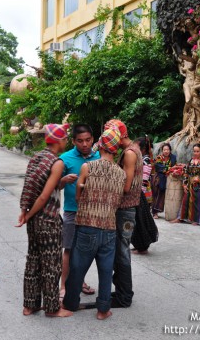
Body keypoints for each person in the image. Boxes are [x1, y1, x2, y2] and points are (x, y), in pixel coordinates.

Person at [63, 128, 126, 320]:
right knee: (106, 271)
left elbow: (78, 197)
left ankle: (70, 304)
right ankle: (103, 309)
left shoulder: (87, 168)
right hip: (108, 228)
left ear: (100, 145)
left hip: (87, 225)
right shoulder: (121, 174)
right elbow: (118, 201)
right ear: (115, 149)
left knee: (77, 268)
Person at [16, 123, 73, 318]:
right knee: (51, 264)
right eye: (65, 138)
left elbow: (30, 187)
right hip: (47, 219)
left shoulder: (36, 157)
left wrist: (25, 211)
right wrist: (28, 215)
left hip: (34, 222)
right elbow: (43, 197)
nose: (66, 141)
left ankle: (29, 305)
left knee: (33, 260)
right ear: (58, 140)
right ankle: (52, 308)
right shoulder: (57, 163)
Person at [58, 124, 99, 299]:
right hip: (72, 211)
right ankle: (64, 286)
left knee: (87, 250)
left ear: (93, 139)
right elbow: (54, 185)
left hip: (93, 212)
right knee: (68, 249)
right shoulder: (65, 159)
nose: (85, 144)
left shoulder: (99, 157)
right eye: (80, 141)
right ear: (73, 141)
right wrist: (64, 180)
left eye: (88, 140)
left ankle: (79, 281)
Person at [105, 119, 143, 308]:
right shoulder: (134, 148)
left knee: (121, 252)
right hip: (128, 209)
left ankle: (124, 296)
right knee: (121, 250)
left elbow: (126, 186)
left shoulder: (129, 153)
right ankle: (122, 290)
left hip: (126, 210)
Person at [172, 143, 200, 226]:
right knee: (185, 200)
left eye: (197, 151)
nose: (195, 153)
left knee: (198, 202)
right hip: (190, 184)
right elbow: (186, 173)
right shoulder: (191, 161)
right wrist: (185, 184)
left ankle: (197, 220)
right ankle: (181, 218)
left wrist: (199, 179)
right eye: (194, 151)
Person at [152, 143, 177, 219]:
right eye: (164, 150)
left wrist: (172, 169)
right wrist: (171, 169)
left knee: (162, 195)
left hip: (168, 178)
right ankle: (154, 213)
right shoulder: (158, 158)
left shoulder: (173, 158)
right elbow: (160, 168)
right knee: (156, 194)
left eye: (168, 149)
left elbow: (175, 166)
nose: (166, 151)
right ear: (162, 150)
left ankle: (160, 211)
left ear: (170, 150)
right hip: (158, 179)